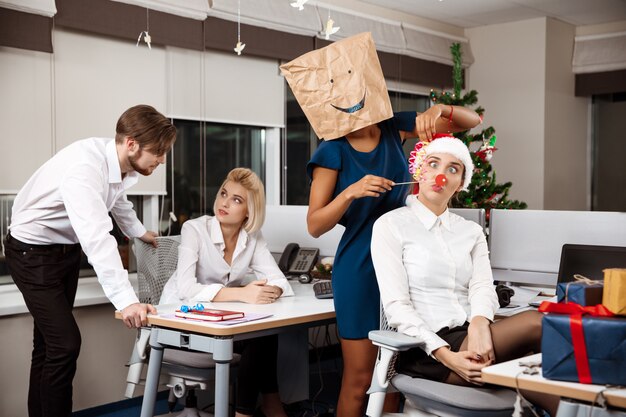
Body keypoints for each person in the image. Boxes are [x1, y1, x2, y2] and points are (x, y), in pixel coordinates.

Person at [306, 104, 481, 417]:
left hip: (407, 260)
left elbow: (472, 121)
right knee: (360, 379)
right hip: (360, 268)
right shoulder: (333, 148)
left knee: (393, 377)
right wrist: (350, 193)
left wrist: (440, 109)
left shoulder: (393, 125)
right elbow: (315, 225)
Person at [4, 104, 176, 417]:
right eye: (159, 151)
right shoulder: (85, 169)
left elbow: (117, 202)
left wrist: (139, 232)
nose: (162, 159)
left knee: (48, 346)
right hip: (32, 253)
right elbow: (97, 239)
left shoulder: (115, 164)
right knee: (65, 344)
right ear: (132, 144)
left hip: (64, 253)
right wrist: (127, 302)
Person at [370, 136, 559, 416]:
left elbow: (482, 286)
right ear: (419, 171)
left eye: (453, 169)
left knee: (548, 375)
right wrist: (448, 357)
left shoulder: (469, 231)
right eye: (433, 164)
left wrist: (479, 324)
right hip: (427, 348)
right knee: (539, 325)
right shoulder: (391, 225)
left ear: (461, 183)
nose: (441, 175)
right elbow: (397, 308)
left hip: (475, 337)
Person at [160, 167, 294, 417]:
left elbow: (279, 281)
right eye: (223, 194)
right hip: (181, 323)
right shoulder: (194, 230)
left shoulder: (252, 237)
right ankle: (266, 407)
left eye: (236, 200)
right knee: (259, 337)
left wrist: (268, 290)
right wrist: (242, 294)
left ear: (249, 212)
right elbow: (186, 289)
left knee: (263, 333)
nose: (224, 202)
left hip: (219, 324)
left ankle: (259, 408)